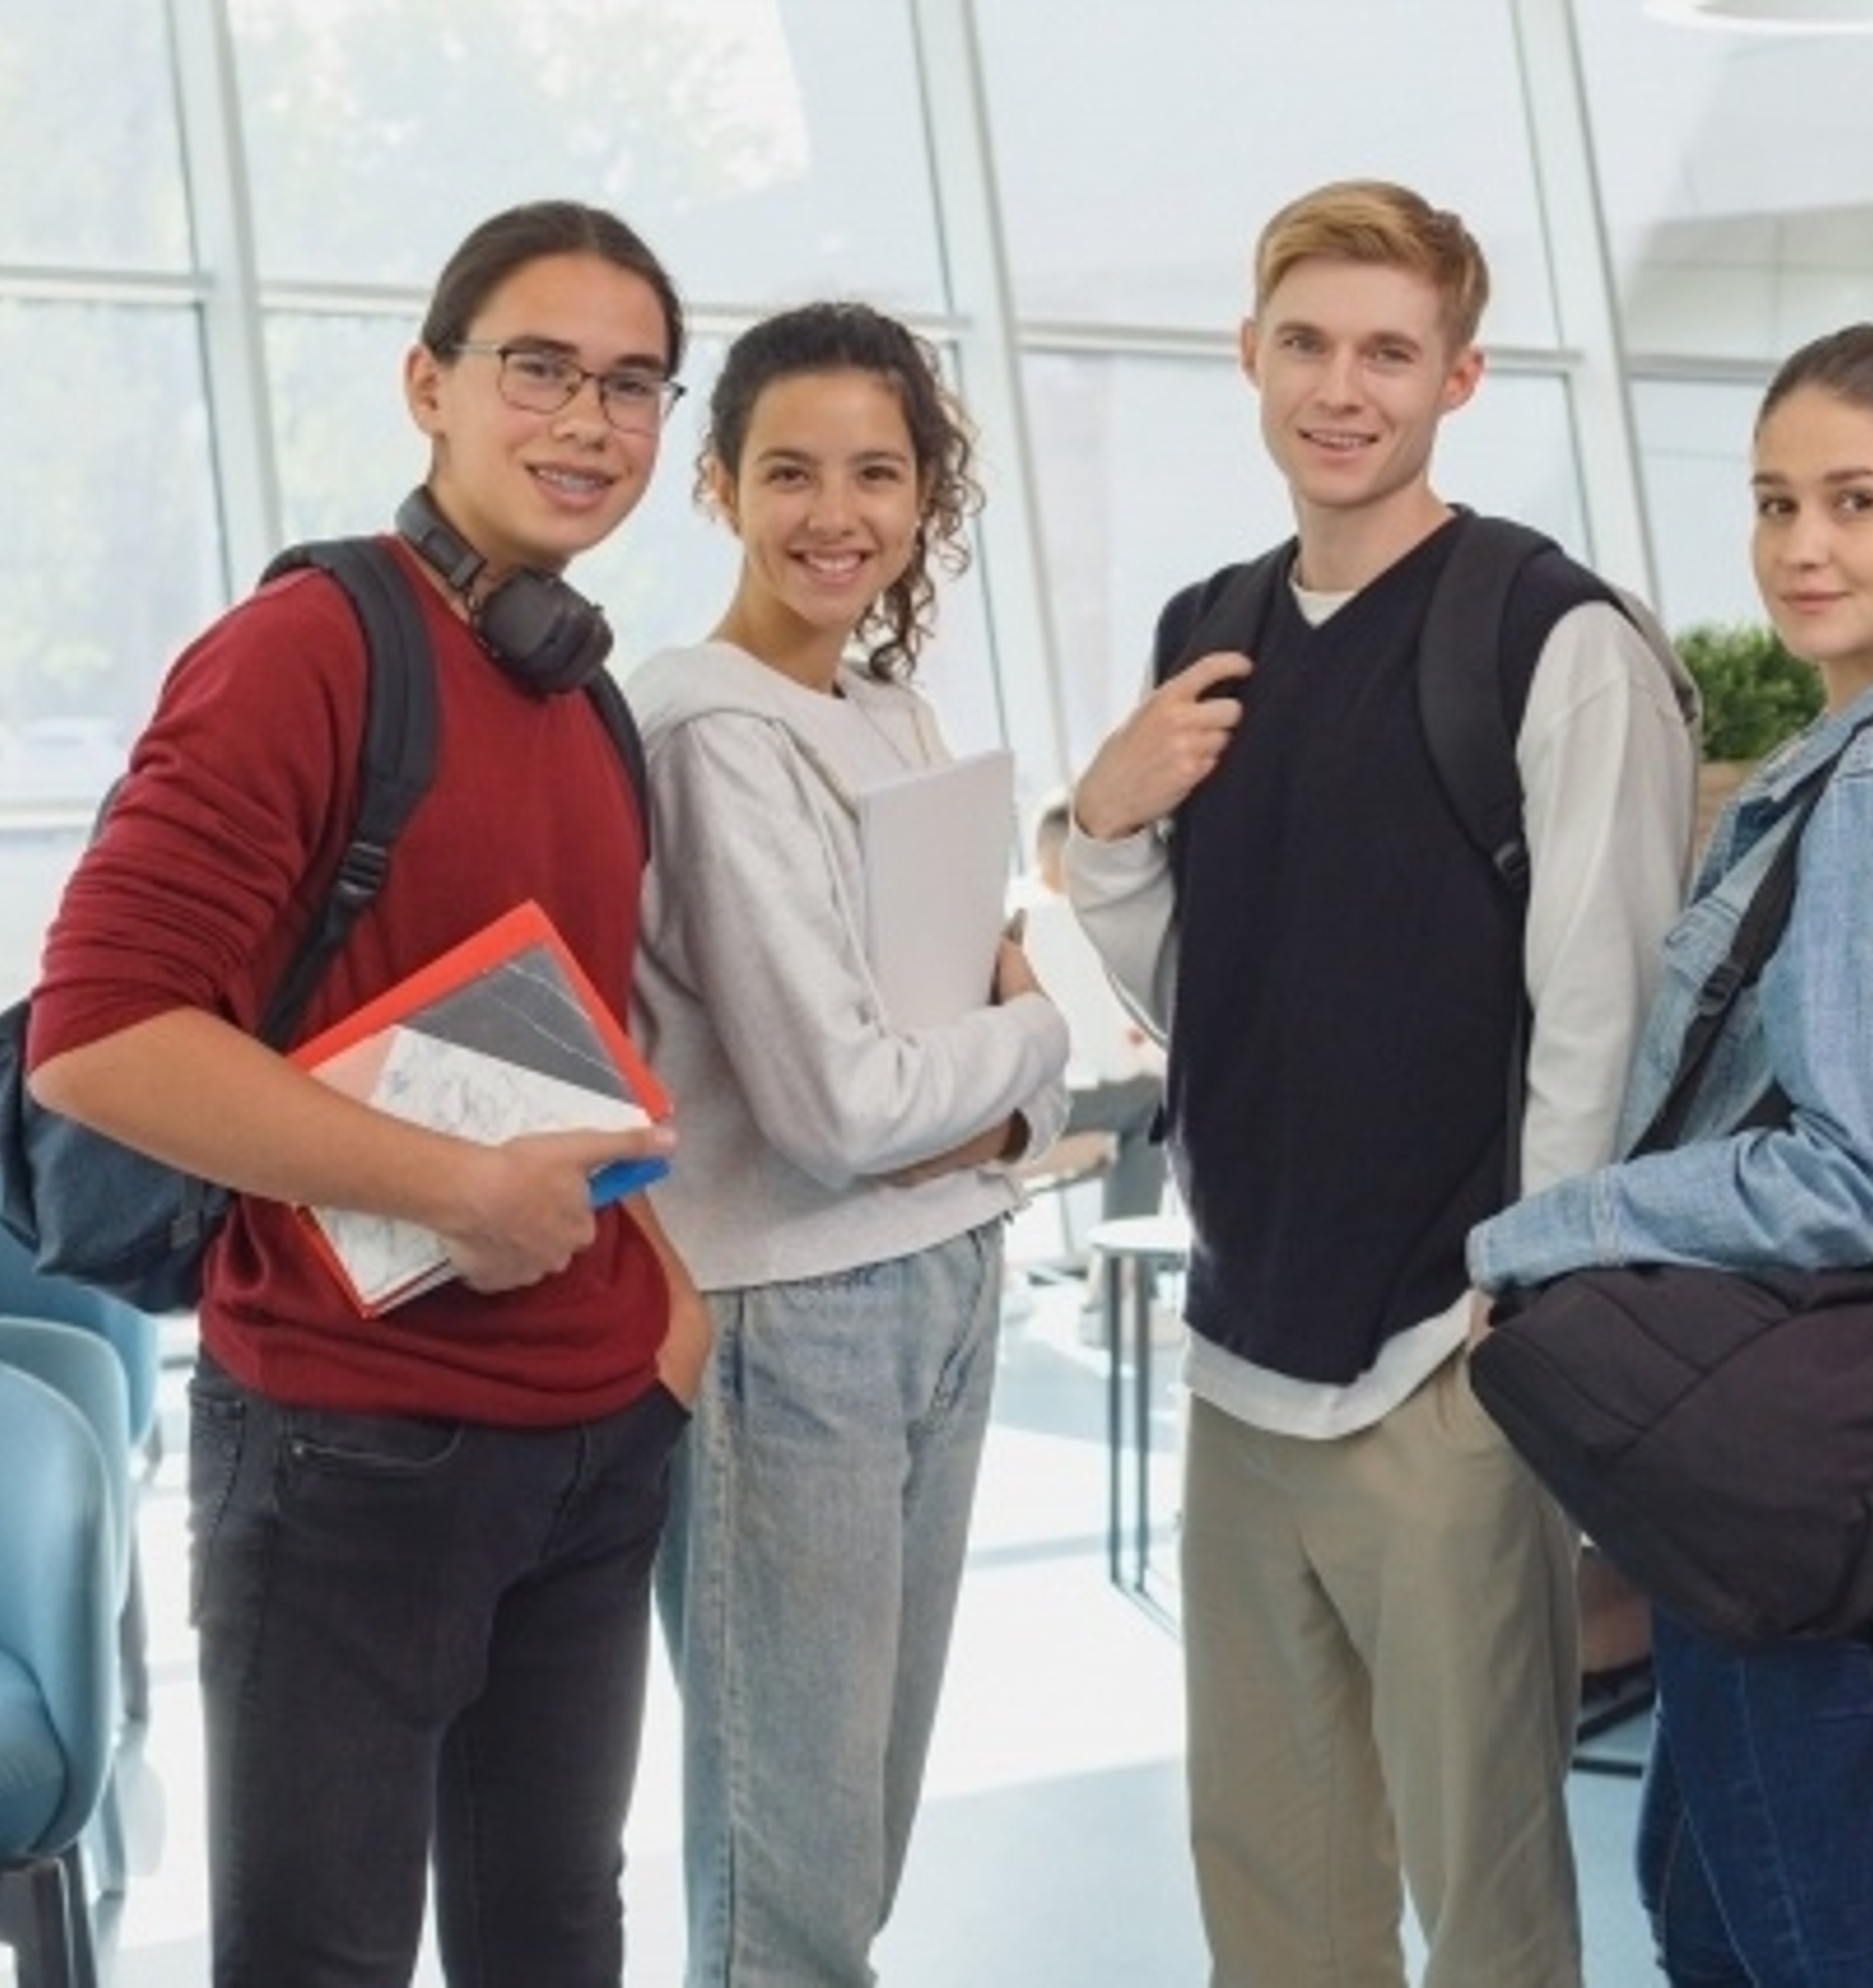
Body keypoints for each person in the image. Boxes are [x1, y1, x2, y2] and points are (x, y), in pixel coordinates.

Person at [23, 199, 705, 1986]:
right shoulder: (312, 653)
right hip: (349, 1447)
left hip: (591, 1437)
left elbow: (579, 1037)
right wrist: (456, 1191)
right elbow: (96, 1031)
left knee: (553, 1941)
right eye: (540, 369)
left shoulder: (582, 697)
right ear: (429, 383)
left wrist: (666, 1314)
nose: (587, 422)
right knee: (319, 1959)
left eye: (633, 387)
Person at [1062, 178, 1698, 1986]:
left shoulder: (1549, 637)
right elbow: (1201, 987)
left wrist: (1531, 1295)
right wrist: (1103, 824)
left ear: (1459, 376)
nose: (1342, 390)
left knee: (1483, 1891)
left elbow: (1605, 1001)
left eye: (1387, 353)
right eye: (1307, 346)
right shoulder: (1211, 627)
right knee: (1269, 1883)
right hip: (1235, 1345)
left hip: (1444, 1359)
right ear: (1248, 359)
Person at [1471, 323, 1873, 1987]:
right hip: (1843, 1440)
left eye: (1856, 502)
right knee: (1718, 1909)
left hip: (1793, 1454)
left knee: (1806, 1945)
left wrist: (1556, 1224)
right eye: (1774, 503)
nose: (1804, 547)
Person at [626, 300, 1071, 1986]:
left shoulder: (888, 715)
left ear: (926, 495)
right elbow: (838, 1113)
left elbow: (922, 1082)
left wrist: (973, 1100)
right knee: (790, 1865)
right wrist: (1034, 1046)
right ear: (720, 487)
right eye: (790, 471)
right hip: (791, 1317)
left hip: (943, 1274)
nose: (837, 514)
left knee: (860, 1831)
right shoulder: (710, 730)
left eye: (877, 472)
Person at [1015, 794, 1168, 1227]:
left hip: (1000, 1101)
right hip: (1043, 1107)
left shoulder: (1016, 907)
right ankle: (1128, 1264)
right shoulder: (1063, 919)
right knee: (1156, 1102)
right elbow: (1110, 1061)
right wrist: (1136, 1063)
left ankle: (1120, 1267)